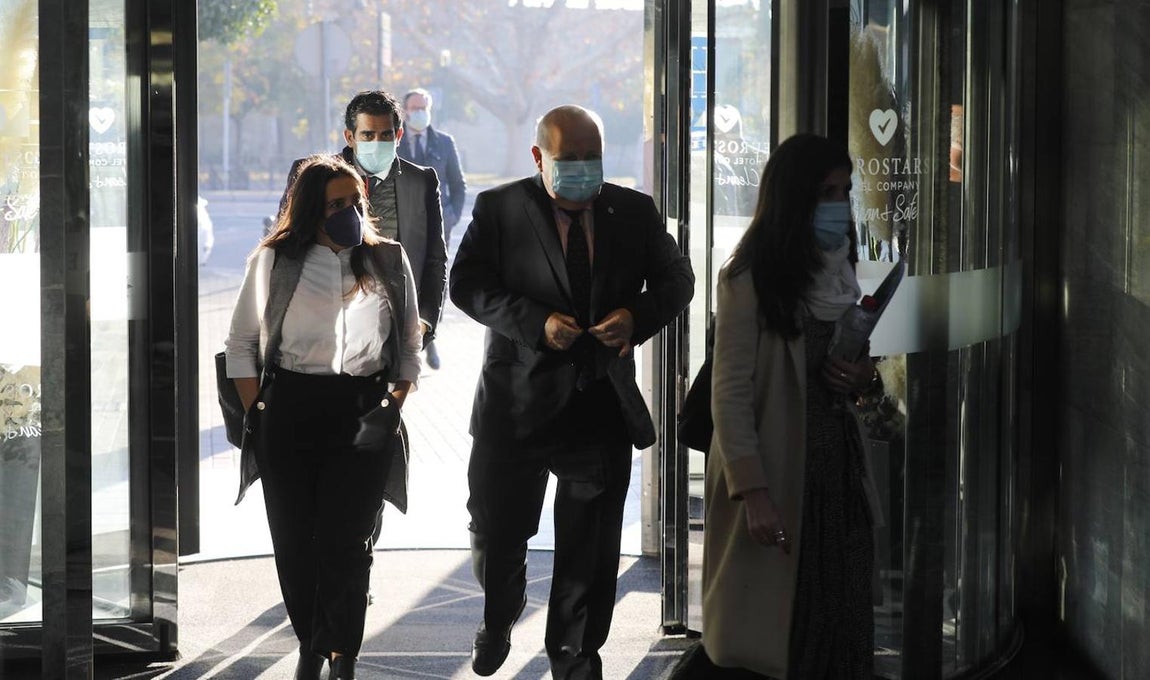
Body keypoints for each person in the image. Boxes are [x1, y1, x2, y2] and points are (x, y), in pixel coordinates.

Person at [449, 104, 694, 679]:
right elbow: (467, 284)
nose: (584, 169)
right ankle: (499, 617)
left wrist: (636, 317)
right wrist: (536, 323)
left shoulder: (632, 211)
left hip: (598, 404)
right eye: (570, 159)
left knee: (590, 550)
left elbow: (676, 279)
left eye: (593, 157)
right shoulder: (500, 208)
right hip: (516, 404)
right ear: (539, 157)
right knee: (498, 533)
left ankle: (575, 658)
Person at [226, 155, 422, 680]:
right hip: (289, 408)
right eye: (337, 204)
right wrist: (259, 415)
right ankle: (312, 640)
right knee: (294, 541)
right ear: (312, 209)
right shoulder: (275, 261)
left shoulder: (388, 259)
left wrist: (392, 407)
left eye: (355, 202)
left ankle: (342, 653)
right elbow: (241, 344)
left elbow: (407, 346)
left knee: (348, 541)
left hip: (364, 411)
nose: (349, 212)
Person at [699, 133, 884, 679]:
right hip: (778, 473)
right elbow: (728, 393)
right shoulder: (748, 278)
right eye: (827, 191)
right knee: (784, 624)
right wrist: (753, 492)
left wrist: (862, 376)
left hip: (837, 471)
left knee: (843, 617)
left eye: (845, 190)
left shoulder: (841, 268)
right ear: (794, 197)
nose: (839, 203)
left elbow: (859, 373)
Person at [282, 90, 447, 370]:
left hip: (392, 330)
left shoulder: (422, 182)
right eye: (368, 135)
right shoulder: (311, 174)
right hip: (322, 326)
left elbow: (434, 260)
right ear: (350, 137)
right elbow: (289, 245)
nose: (377, 142)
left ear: (398, 136)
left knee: (384, 410)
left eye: (385, 135)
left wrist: (424, 323)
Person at [396, 87, 466, 369]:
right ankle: (411, 340)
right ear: (404, 111)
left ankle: (429, 336)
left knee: (434, 278)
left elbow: (458, 184)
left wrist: (452, 215)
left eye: (424, 107)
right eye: (414, 107)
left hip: (438, 225)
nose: (419, 112)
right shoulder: (393, 140)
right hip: (403, 223)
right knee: (405, 278)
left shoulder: (444, 142)